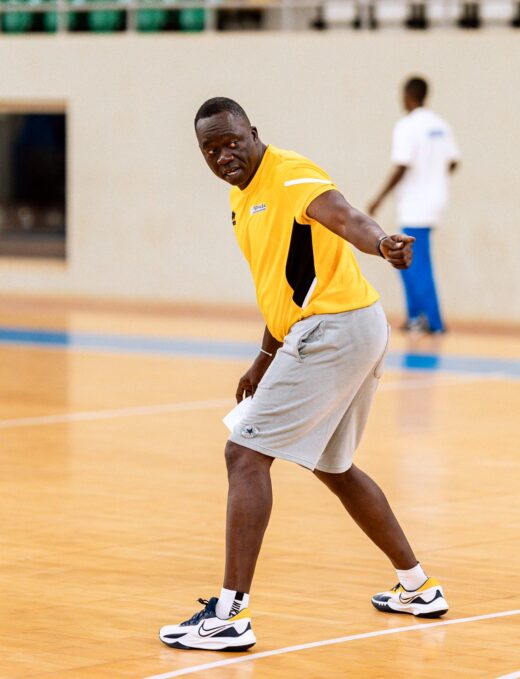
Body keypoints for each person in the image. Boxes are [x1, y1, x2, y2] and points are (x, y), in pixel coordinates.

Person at [159, 97, 449, 652]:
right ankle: (417, 586)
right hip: (347, 325)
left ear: (253, 132)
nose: (223, 155)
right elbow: (286, 285)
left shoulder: (291, 174)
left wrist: (381, 243)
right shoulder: (240, 199)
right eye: (210, 149)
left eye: (231, 142)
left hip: (334, 328)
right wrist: (263, 357)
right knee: (333, 466)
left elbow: (345, 216)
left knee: (244, 454)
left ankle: (230, 615)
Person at [368, 77, 460, 334]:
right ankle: (414, 317)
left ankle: (435, 322)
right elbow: (453, 161)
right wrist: (434, 175)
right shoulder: (441, 125)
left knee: (416, 263)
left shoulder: (407, 125)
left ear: (408, 96)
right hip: (436, 199)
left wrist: (379, 198)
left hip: (416, 203)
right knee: (406, 261)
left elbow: (402, 165)